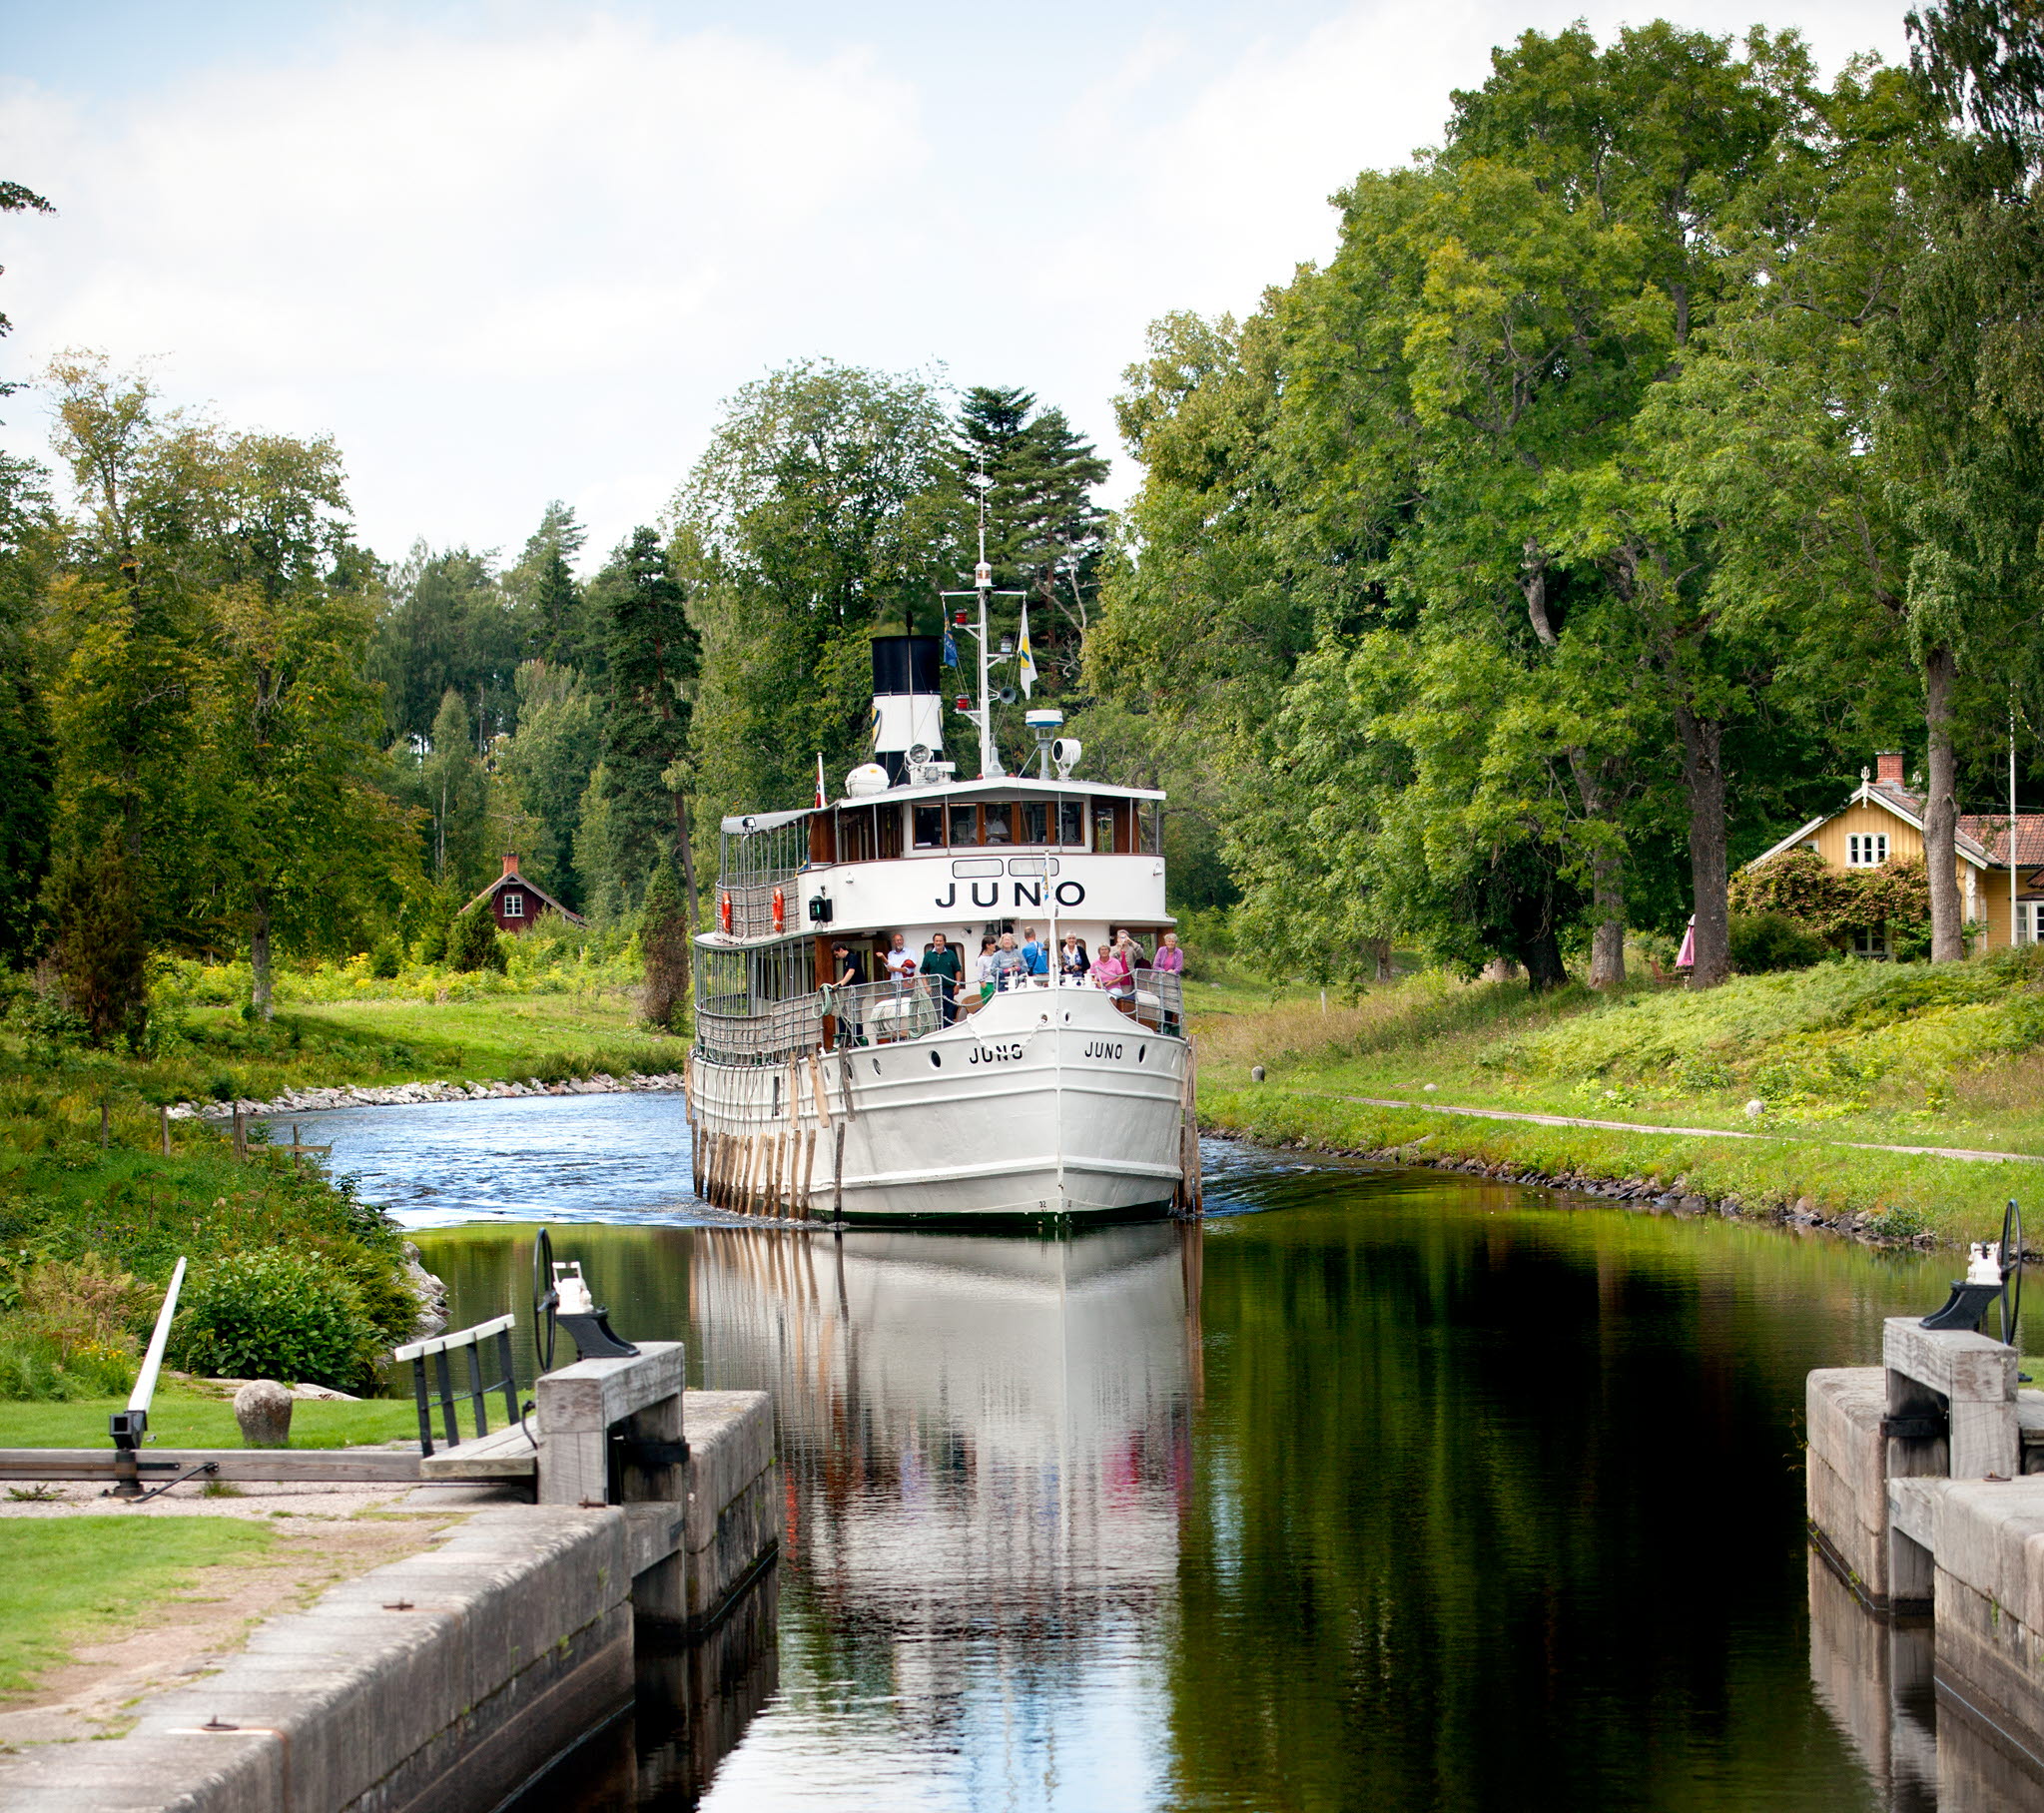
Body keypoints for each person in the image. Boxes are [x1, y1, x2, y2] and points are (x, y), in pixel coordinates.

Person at [922, 931, 964, 1025]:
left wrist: (957, 985)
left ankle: (948, 1034)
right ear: (933, 942)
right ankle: (938, 1033)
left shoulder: (951, 954)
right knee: (936, 1013)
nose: (938, 943)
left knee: (949, 1013)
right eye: (936, 941)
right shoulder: (928, 955)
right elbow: (922, 972)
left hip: (949, 989)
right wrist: (927, 987)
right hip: (934, 989)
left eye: (940, 941)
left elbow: (958, 970)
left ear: (944, 942)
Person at [1152, 930, 1184, 1030]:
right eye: (1169, 941)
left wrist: (1172, 972)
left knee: (1169, 1002)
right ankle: (1157, 1023)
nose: (1171, 943)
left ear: (1175, 943)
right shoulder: (1161, 950)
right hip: (1159, 979)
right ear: (1166, 942)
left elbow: (1179, 968)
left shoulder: (1179, 952)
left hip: (1171, 981)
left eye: (1173, 941)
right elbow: (1155, 965)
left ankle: (1167, 1024)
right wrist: (1163, 971)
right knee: (1159, 1000)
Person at [1091, 936, 1133, 1010]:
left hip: (1114, 988)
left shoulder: (1115, 962)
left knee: (1111, 997)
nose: (1104, 951)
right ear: (1099, 951)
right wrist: (1097, 983)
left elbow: (1121, 976)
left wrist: (1112, 982)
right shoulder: (1095, 963)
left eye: (1106, 949)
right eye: (1102, 949)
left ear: (1109, 951)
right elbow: (1091, 976)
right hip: (1100, 988)